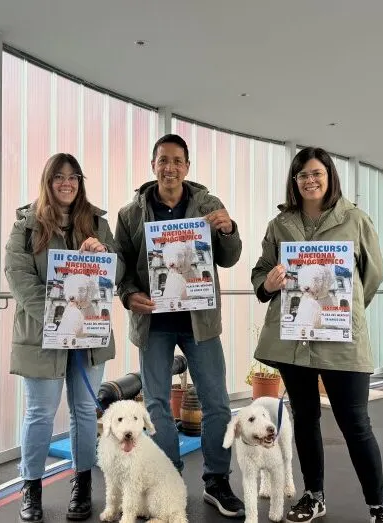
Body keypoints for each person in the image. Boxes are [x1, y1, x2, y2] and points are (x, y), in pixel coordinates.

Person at [250, 146, 383, 523]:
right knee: (306, 418)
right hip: (294, 340)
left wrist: (344, 311)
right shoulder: (280, 225)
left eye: (316, 173)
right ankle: (314, 496)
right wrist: (269, 281)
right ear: (294, 182)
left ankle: (378, 506)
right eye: (302, 175)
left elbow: (372, 275)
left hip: (341, 341)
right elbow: (261, 273)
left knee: (356, 425)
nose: (310, 181)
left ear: (329, 176)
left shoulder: (355, 219)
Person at [114, 133, 246, 518]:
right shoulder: (129, 215)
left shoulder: (209, 204)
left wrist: (228, 230)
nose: (169, 167)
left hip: (199, 322)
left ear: (187, 167)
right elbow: (120, 267)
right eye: (162, 160)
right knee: (155, 407)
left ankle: (217, 481)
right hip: (153, 323)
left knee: (216, 402)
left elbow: (230, 257)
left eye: (177, 161)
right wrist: (126, 296)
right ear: (152, 165)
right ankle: (166, 480)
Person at [5, 153, 121, 522]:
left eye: (73, 177)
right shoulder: (26, 226)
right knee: (40, 413)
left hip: (88, 337)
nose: (66, 183)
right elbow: (19, 277)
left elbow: (115, 272)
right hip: (42, 336)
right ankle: (31, 487)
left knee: (85, 412)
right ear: (48, 181)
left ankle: (82, 483)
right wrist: (58, 318)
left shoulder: (98, 225)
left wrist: (104, 255)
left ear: (80, 182)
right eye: (59, 177)